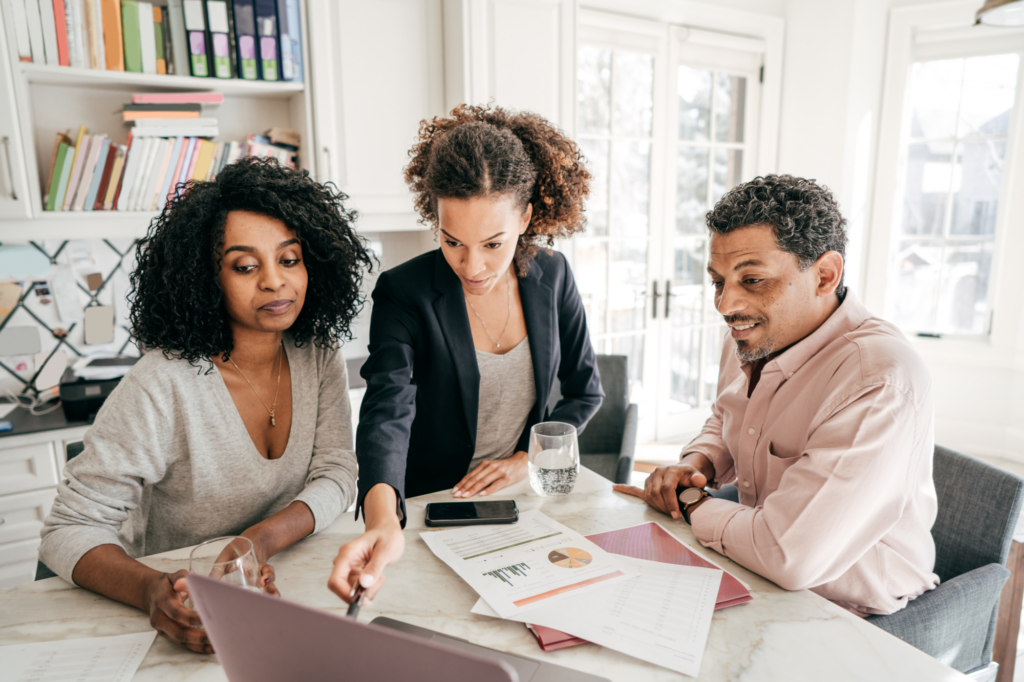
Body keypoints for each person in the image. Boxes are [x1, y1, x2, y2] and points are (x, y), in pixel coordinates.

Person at [38, 157, 374, 652]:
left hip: (281, 585)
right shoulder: (162, 384)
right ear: (205, 277)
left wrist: (256, 541)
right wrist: (152, 590)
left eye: (289, 258)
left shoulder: (317, 353)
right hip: (173, 606)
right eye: (244, 266)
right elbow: (67, 530)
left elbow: (337, 472)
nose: (274, 282)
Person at [615, 175, 939, 616]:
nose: (725, 305)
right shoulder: (755, 333)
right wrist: (696, 465)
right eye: (718, 282)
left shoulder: (878, 380)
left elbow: (788, 554)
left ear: (825, 275)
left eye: (752, 280)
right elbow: (728, 413)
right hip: (758, 573)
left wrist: (692, 502)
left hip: (853, 612)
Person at [327, 104, 604, 604]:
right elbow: (387, 409)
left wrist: (528, 459)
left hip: (523, 504)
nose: (472, 266)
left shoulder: (554, 275)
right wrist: (383, 520)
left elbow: (586, 392)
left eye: (493, 244)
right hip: (434, 505)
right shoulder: (403, 292)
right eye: (451, 240)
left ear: (526, 217)